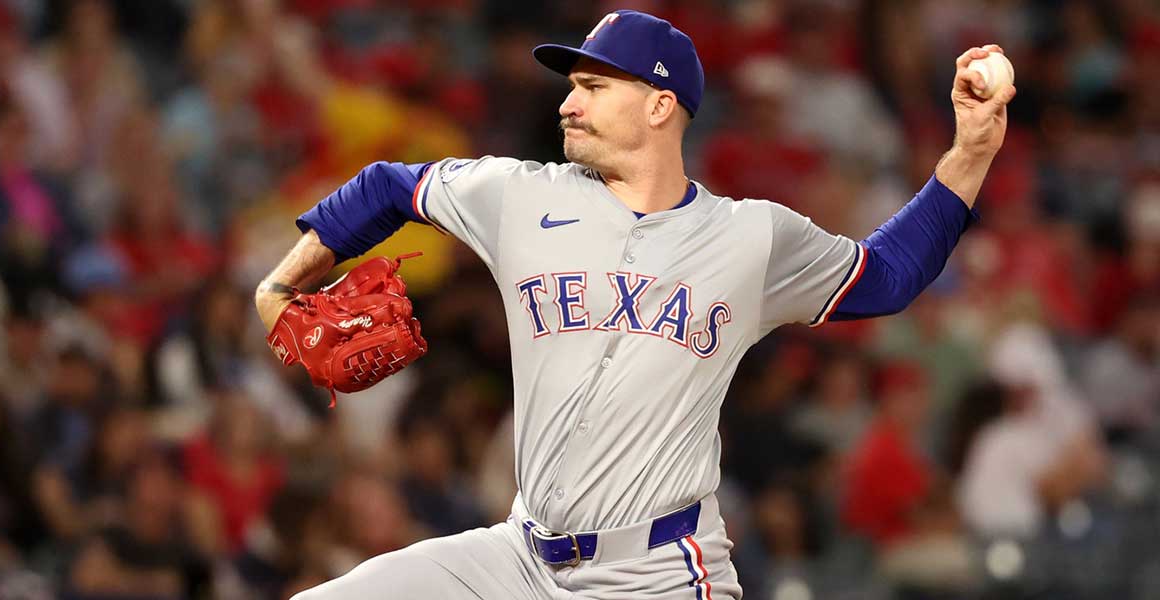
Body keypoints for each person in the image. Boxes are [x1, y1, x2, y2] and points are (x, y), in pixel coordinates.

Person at [254, 10, 1016, 599]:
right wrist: (280, 285)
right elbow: (388, 185)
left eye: (592, 87)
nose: (567, 103)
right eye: (571, 85)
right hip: (519, 557)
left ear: (659, 106)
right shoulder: (518, 195)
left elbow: (884, 277)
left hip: (659, 572)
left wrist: (971, 152)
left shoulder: (748, 237)